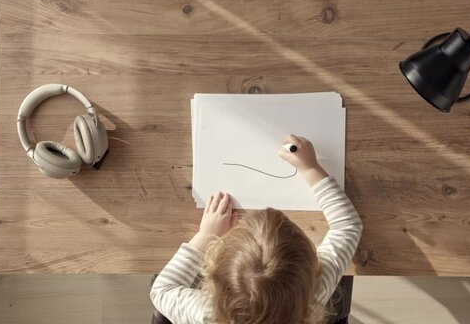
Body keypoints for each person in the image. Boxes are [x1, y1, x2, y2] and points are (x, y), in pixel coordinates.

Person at [150, 135, 363, 324]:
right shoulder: (313, 293)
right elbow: (348, 226)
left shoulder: (207, 314)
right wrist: (311, 169)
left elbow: (162, 291)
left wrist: (206, 235)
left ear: (213, 274)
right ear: (310, 270)